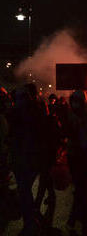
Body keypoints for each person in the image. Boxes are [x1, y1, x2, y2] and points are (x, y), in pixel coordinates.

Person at [9, 84, 48, 236]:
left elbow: (15, 137)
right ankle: (32, 218)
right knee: (25, 190)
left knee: (24, 190)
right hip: (32, 157)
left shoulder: (20, 114)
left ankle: (30, 222)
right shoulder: (38, 110)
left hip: (24, 157)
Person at [65, 90, 87, 235]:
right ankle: (79, 218)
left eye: (77, 101)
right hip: (74, 154)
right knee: (80, 186)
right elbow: (66, 132)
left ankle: (77, 218)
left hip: (84, 154)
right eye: (73, 101)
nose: (75, 104)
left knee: (81, 186)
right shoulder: (71, 116)